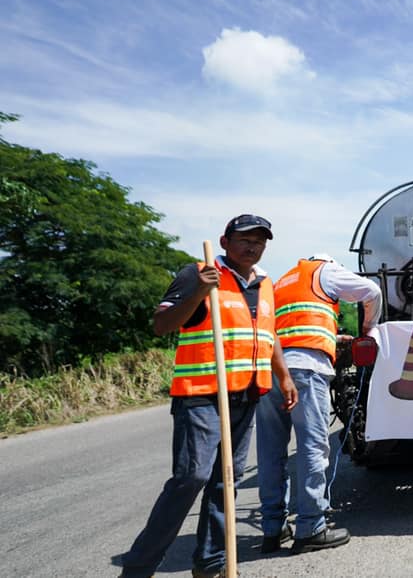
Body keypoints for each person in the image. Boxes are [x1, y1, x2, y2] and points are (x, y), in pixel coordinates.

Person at [120, 214, 298, 578]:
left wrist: (284, 375)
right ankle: (137, 569)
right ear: (225, 242)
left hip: (246, 395)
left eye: (260, 241)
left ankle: (212, 564)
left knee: (225, 482)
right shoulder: (198, 274)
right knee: (192, 477)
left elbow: (268, 333)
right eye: (245, 239)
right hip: (202, 395)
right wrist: (199, 292)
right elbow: (162, 324)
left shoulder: (265, 284)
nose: (253, 246)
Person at [257, 254, 382, 555]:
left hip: (270, 368)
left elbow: (290, 325)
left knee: (271, 452)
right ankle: (311, 526)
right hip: (305, 368)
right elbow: (372, 292)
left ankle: (273, 529)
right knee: (312, 447)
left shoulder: (283, 280)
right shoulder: (325, 271)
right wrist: (369, 328)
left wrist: (331, 334)